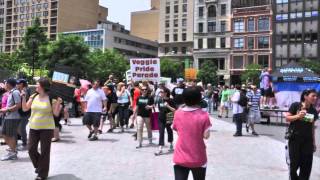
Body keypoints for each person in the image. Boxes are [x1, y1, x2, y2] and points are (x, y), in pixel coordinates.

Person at [21, 78, 61, 180]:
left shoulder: (51, 98)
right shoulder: (33, 96)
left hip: (46, 128)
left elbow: (55, 114)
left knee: (45, 151)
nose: (36, 86)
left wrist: (58, 103)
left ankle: (42, 174)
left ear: (43, 86)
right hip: (33, 127)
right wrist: (23, 98)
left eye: (37, 84)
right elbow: (25, 108)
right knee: (31, 150)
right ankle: (40, 166)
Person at [172, 87, 211, 180]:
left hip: (180, 156)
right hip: (198, 157)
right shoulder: (204, 115)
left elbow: (177, 130)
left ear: (184, 99)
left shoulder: (177, 113)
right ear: (199, 99)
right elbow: (206, 136)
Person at [285, 89, 318, 180]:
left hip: (307, 141)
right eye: (313, 96)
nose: (315, 98)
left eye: (316, 96)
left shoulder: (313, 111)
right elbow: (287, 118)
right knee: (293, 165)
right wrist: (298, 116)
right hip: (294, 139)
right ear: (305, 96)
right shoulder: (296, 105)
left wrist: (314, 143)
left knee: (306, 166)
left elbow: (312, 128)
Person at [0, 79, 21, 161]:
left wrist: (6, 110)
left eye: (5, 83)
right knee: (4, 134)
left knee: (9, 135)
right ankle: (12, 150)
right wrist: (4, 109)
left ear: (8, 84)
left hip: (12, 117)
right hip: (9, 117)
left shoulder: (15, 92)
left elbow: (18, 105)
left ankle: (13, 153)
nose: (4, 84)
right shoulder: (12, 92)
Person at [155, 87, 175, 156]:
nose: (160, 93)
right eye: (160, 92)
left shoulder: (171, 100)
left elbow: (175, 110)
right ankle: (160, 148)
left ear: (166, 93)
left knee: (169, 131)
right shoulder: (160, 100)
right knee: (161, 132)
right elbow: (160, 109)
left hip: (169, 117)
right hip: (161, 118)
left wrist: (168, 106)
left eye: (162, 92)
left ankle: (171, 143)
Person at [16, 79, 32, 150]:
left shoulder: (25, 90)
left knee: (22, 128)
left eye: (18, 83)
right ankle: (24, 140)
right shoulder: (22, 90)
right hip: (22, 112)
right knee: (20, 128)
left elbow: (26, 100)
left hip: (25, 113)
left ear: (21, 84)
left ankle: (24, 143)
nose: (17, 84)